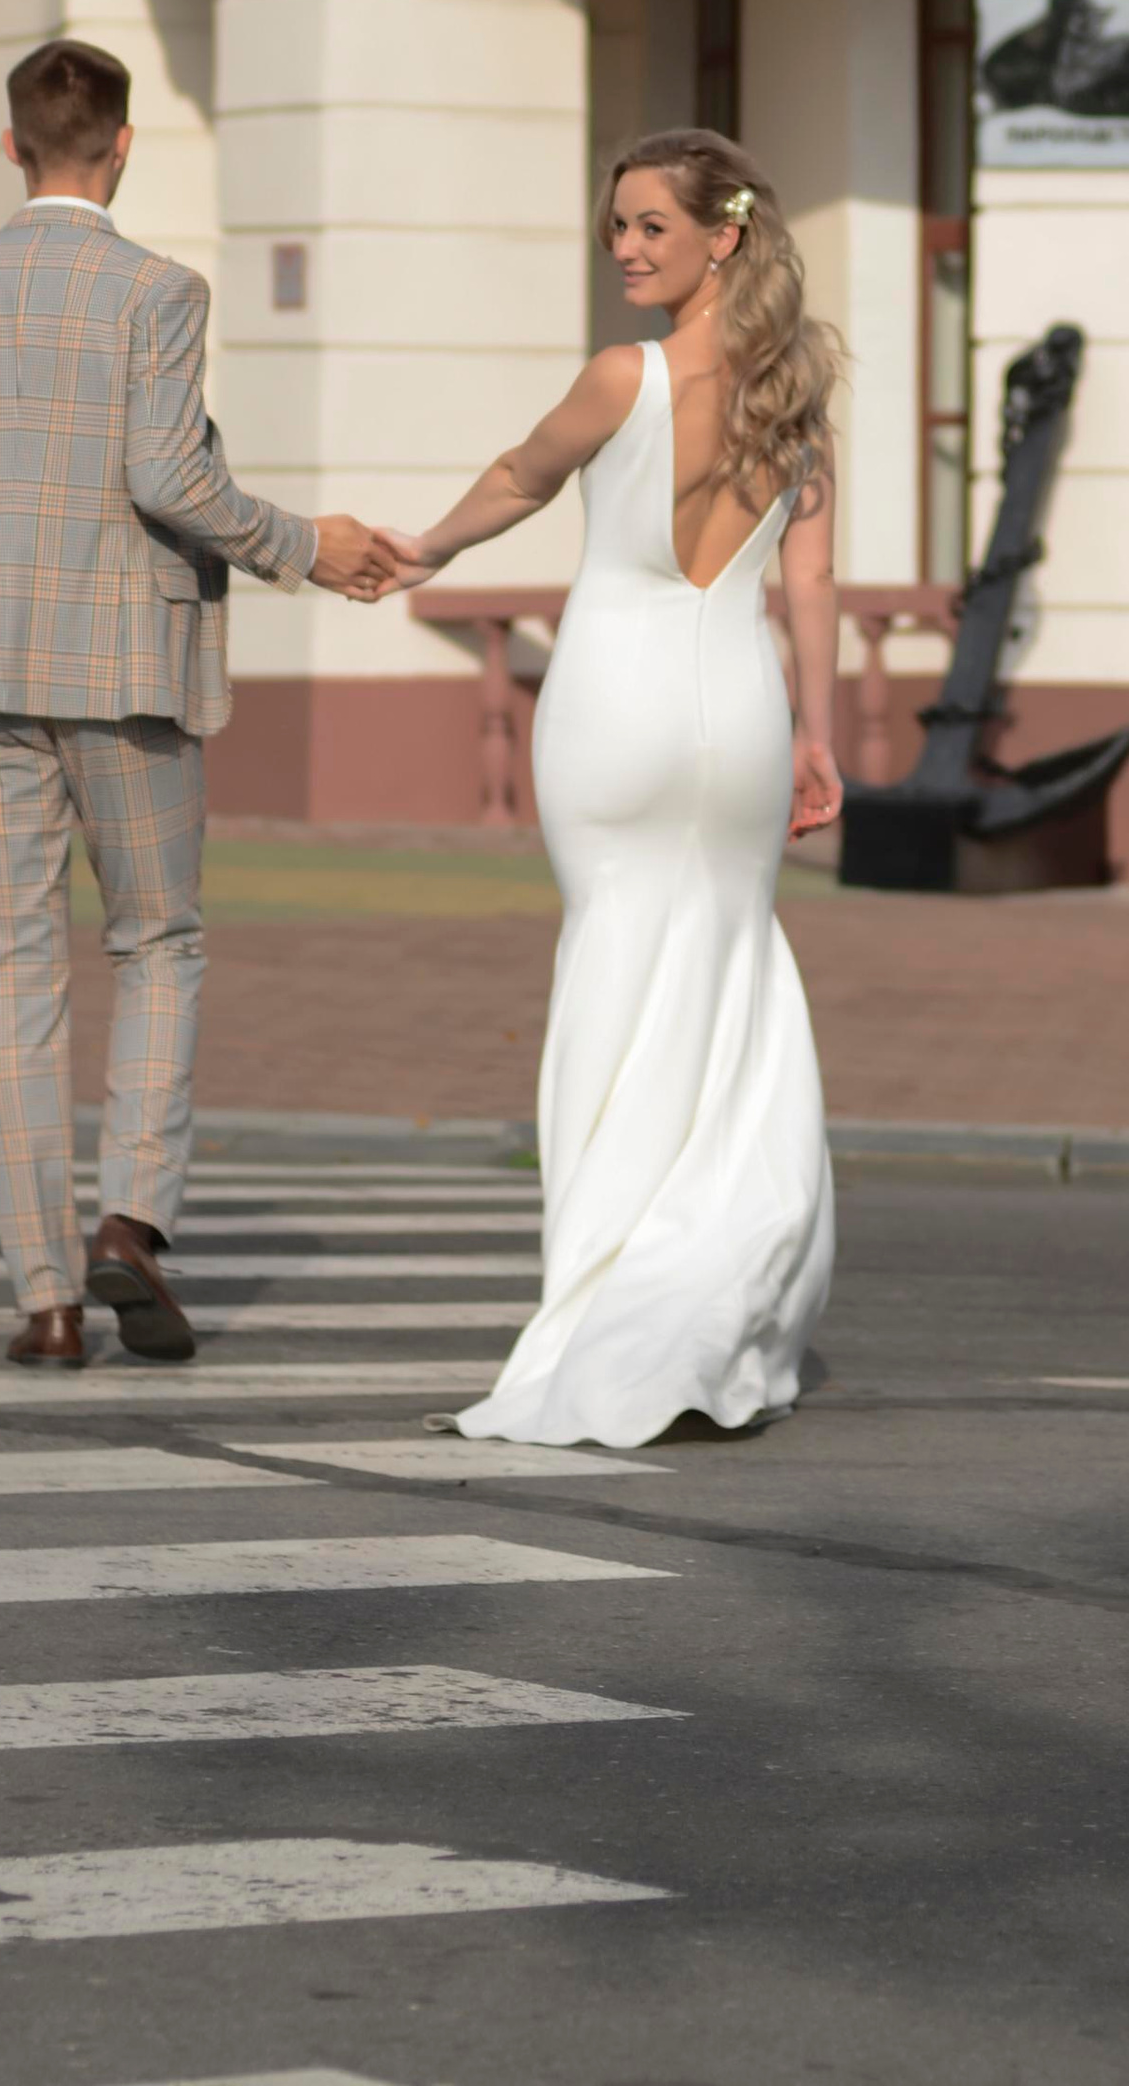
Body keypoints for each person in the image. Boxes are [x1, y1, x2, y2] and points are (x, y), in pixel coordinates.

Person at [0, 36, 397, 1368]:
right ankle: (130, 1225)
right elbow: (165, 474)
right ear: (124, 141)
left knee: (9, 970)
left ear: (10, 147)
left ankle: (45, 1298)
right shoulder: (158, 289)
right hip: (127, 674)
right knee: (157, 942)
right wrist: (297, 539)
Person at [376, 129, 841, 1450]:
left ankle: (602, 1311)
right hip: (741, 705)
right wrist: (820, 734)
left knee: (614, 976)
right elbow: (808, 584)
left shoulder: (622, 376)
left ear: (722, 236)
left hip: (615, 702)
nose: (628, 248)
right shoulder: (798, 392)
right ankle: (718, 1292)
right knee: (731, 986)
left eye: (650, 225)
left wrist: (417, 552)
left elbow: (524, 477)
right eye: (618, 228)